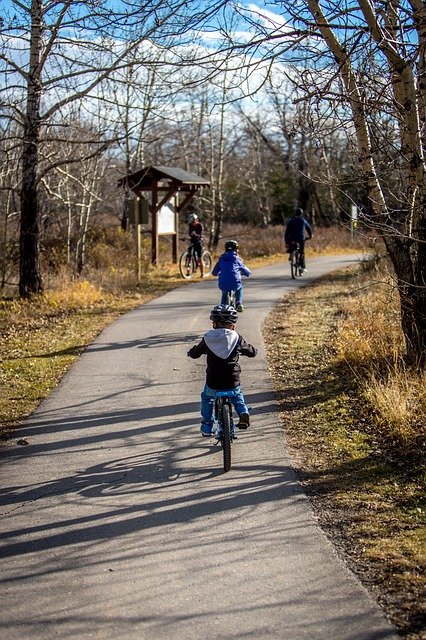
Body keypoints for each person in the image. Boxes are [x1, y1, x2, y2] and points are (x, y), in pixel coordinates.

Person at [187, 304, 257, 436]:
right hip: (232, 380)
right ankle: (243, 412)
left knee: (207, 398)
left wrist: (191, 353)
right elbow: (250, 351)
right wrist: (253, 351)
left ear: (214, 324)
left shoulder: (208, 338)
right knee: (237, 395)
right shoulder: (237, 338)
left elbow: (196, 352)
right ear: (233, 325)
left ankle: (207, 426)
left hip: (213, 381)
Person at [211, 240, 251, 312]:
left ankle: (222, 306)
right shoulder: (237, 259)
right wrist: (246, 273)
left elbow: (214, 273)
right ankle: (238, 303)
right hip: (235, 283)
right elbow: (247, 272)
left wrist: (219, 273)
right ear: (236, 249)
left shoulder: (221, 259)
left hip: (223, 283)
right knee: (239, 288)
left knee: (224, 292)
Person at [187, 212, 204, 277]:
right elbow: (189, 233)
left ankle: (202, 273)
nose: (192, 223)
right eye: (191, 222)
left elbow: (200, 234)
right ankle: (188, 271)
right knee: (189, 255)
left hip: (198, 241)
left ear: (195, 220)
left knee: (199, 258)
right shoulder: (190, 226)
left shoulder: (199, 225)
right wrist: (190, 235)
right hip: (192, 241)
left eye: (193, 222)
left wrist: (196, 235)